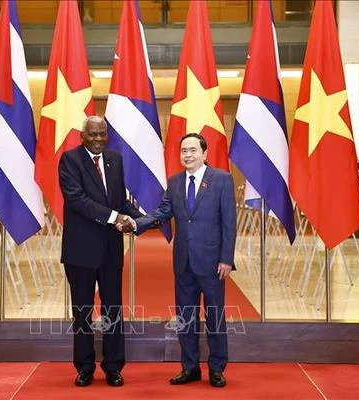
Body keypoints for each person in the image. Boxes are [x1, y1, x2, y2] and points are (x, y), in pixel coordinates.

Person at [133, 133, 236, 388]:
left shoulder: (222, 180)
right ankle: (189, 368)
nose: (187, 155)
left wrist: (226, 258)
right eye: (183, 151)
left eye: (192, 150)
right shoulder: (175, 181)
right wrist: (136, 223)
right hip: (183, 262)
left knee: (214, 317)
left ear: (204, 153)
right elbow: (163, 211)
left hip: (213, 262)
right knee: (186, 317)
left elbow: (229, 223)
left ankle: (216, 368)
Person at [58, 115, 142, 387]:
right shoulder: (70, 160)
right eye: (93, 134)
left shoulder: (114, 160)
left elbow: (119, 200)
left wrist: (140, 219)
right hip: (80, 251)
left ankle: (113, 366)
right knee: (82, 311)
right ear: (83, 135)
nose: (98, 139)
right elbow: (78, 200)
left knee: (113, 310)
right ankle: (84, 367)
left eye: (102, 134)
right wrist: (115, 218)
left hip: (110, 251)